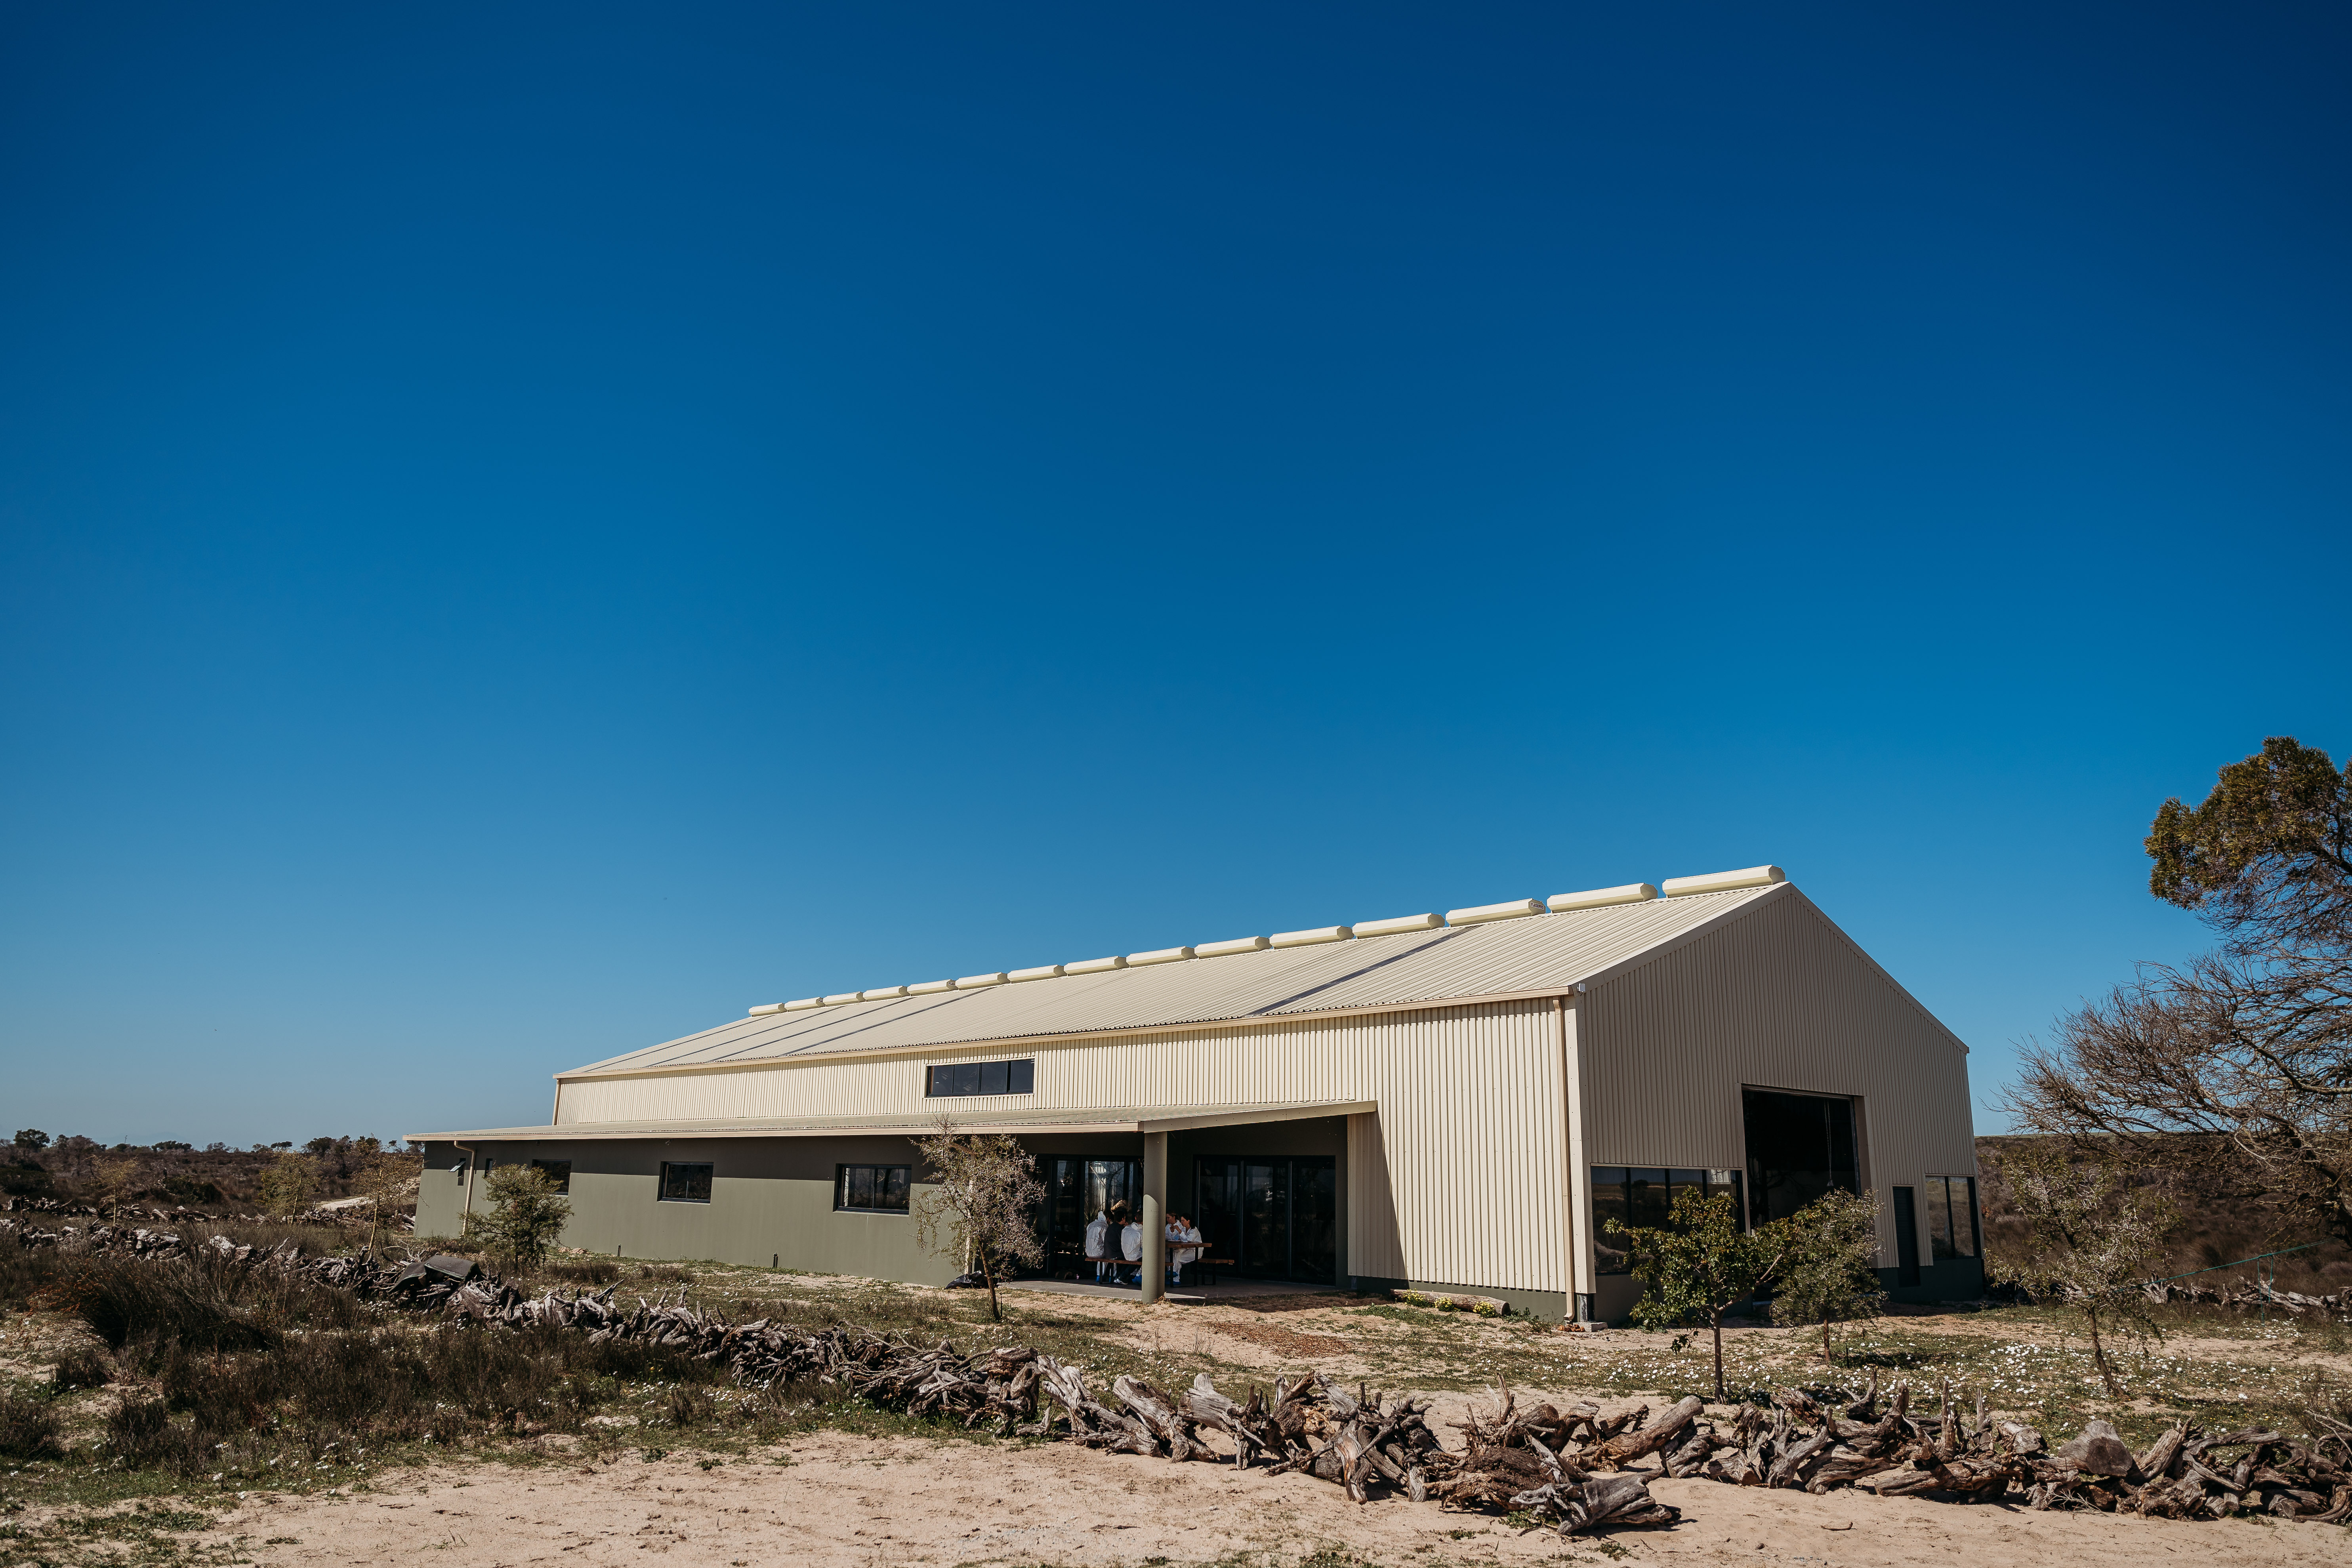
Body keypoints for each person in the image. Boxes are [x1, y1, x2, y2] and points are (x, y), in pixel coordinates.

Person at [1084, 1204, 1114, 1283]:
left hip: (1088, 1251)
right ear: (1108, 1219)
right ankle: (1112, 1277)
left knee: (1102, 1254)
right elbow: (1107, 1241)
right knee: (1112, 1255)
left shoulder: (1091, 1224)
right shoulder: (1104, 1226)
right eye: (1110, 1221)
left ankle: (1099, 1275)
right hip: (1097, 1252)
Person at [1173, 1213, 1203, 1286]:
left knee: (1178, 1259)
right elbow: (1178, 1238)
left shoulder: (1194, 1230)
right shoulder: (1184, 1229)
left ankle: (1174, 1276)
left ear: (1188, 1221)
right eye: (1181, 1221)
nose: (1182, 1222)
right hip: (1187, 1249)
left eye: (1183, 1221)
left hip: (1195, 1251)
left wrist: (1180, 1231)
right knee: (1175, 1254)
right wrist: (1173, 1231)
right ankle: (1174, 1277)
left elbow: (1187, 1240)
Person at [1119, 1208, 1144, 1286]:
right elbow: (1144, 1246)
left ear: (1135, 1218)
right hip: (1134, 1256)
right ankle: (1125, 1277)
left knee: (1135, 1257)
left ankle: (1121, 1276)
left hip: (1125, 1254)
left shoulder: (1127, 1228)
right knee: (1147, 1257)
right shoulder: (1142, 1232)